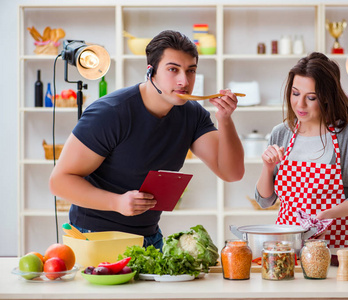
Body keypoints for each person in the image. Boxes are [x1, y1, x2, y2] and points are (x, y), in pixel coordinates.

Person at [49, 30, 245, 250]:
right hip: (96, 237)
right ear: (150, 71)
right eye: (173, 69)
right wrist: (117, 202)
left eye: (191, 71)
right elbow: (59, 181)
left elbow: (231, 172)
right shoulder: (111, 112)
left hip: (149, 237)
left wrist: (225, 120)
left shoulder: (193, 114)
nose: (184, 81)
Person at [255, 52, 348, 248]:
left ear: (327, 97)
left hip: (333, 248)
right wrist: (267, 168)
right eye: (295, 93)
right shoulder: (281, 133)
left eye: (311, 97)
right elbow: (265, 200)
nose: (300, 104)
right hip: (287, 248)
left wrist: (327, 216)